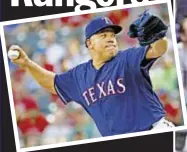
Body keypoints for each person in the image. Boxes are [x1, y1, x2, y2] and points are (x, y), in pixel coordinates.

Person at [9, 15, 174, 137]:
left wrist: (159, 36)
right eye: (103, 35)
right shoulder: (79, 75)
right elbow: (52, 83)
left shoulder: (127, 58)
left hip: (154, 131)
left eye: (112, 36)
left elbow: (158, 50)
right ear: (89, 43)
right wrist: (27, 63)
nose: (111, 39)